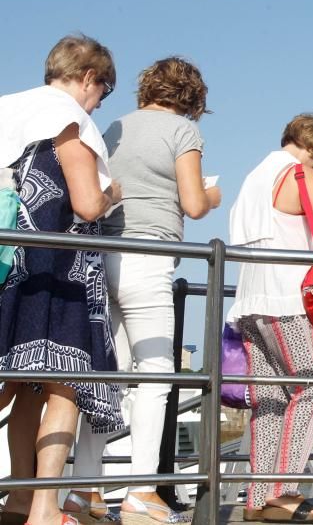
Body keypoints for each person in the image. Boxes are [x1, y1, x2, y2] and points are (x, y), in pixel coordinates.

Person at [63, 58, 222, 525]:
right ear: (193, 98)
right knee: (155, 375)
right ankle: (141, 493)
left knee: (103, 377)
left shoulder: (112, 126)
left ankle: (83, 491)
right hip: (148, 256)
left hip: (101, 255)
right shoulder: (182, 132)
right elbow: (193, 204)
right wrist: (213, 197)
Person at [0, 34, 124, 525]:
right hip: (56, 271)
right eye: (103, 90)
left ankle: (17, 499)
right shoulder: (68, 120)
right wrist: (115, 190)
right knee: (61, 387)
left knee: (18, 384)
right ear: (90, 77)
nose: (98, 101)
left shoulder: (10, 108)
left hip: (10, 266)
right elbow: (86, 205)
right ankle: (45, 507)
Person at [229, 113, 313, 523]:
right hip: (286, 299)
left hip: (249, 301)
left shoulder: (253, 175)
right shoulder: (298, 172)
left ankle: (258, 497)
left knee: (271, 400)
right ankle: (283, 491)